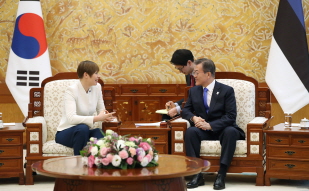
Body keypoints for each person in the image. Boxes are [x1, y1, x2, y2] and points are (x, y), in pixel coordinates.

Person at [182, 58, 245, 190]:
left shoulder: (226, 90)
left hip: (222, 129)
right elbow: (186, 110)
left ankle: (221, 174)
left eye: (197, 72)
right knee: (191, 132)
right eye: (194, 72)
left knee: (231, 131)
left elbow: (231, 116)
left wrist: (211, 126)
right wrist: (194, 118)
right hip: (203, 130)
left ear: (208, 74)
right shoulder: (194, 91)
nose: (194, 75)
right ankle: (197, 174)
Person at [55, 60, 115, 155]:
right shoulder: (71, 90)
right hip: (66, 132)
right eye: (96, 73)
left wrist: (104, 115)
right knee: (82, 128)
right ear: (86, 75)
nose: (98, 76)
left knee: (99, 133)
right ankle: (79, 164)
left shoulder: (97, 87)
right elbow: (71, 119)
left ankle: (97, 165)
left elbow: (101, 109)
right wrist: (97, 118)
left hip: (85, 131)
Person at [163, 49, 196, 120]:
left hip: (199, 109)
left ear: (189, 63)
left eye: (180, 68)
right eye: (177, 69)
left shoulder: (201, 75)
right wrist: (175, 104)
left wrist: (178, 109)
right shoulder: (188, 75)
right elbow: (190, 96)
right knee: (166, 115)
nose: (180, 72)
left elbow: (197, 99)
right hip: (191, 106)